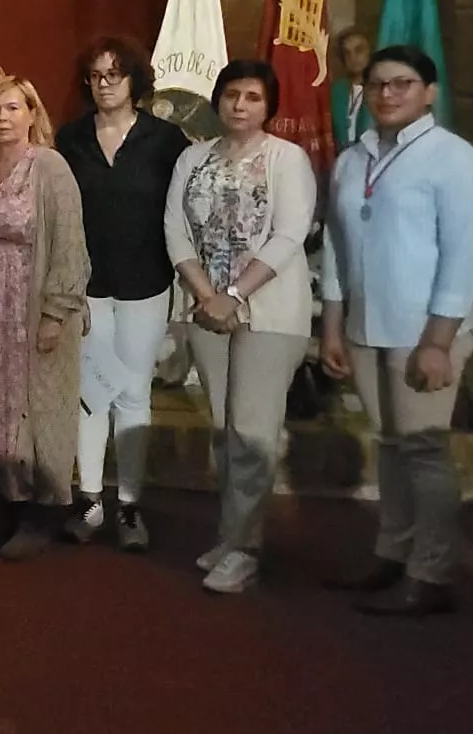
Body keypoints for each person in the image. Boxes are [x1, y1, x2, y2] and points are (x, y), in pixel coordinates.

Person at [320, 46, 473, 616]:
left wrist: (440, 341)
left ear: (429, 92)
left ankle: (433, 572)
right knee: (391, 448)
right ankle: (393, 553)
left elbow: (468, 256)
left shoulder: (455, 160)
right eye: (377, 85)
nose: (388, 94)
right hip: (369, 324)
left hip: (426, 330)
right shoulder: (355, 157)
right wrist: (333, 326)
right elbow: (337, 249)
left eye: (402, 84)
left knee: (423, 449)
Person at [165, 60, 315, 594]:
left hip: (269, 311)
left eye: (252, 97)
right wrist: (207, 295)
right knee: (227, 432)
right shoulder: (192, 158)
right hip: (207, 309)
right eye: (231, 95)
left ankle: (245, 549)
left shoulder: (287, 159)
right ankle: (231, 537)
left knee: (253, 431)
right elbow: (175, 229)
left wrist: (234, 293)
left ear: (268, 106)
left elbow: (290, 232)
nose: (240, 105)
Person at [55, 36, 188, 551]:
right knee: (91, 394)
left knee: (133, 394)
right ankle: (88, 501)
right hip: (87, 287)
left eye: (114, 74)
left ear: (135, 81)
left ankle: (130, 506)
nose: (104, 84)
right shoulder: (70, 139)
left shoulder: (166, 140)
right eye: (95, 75)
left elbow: (179, 214)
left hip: (145, 285)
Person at [0, 75, 89, 560]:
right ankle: (0, 507)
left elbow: (71, 244)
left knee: (32, 409)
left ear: (33, 113)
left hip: (28, 306)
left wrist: (56, 312)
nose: (2, 117)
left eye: (12, 108)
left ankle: (38, 514)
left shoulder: (49, 167)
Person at [329, 29, 373, 154]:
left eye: (359, 50)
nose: (353, 58)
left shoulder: (381, 89)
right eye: (347, 53)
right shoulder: (335, 91)